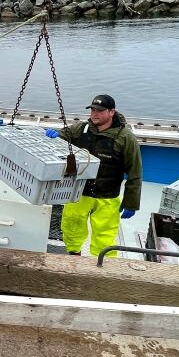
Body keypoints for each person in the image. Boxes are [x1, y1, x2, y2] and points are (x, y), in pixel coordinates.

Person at [46, 94, 142, 257]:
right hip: (79, 192)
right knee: (71, 226)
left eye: (100, 110)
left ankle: (103, 265)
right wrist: (54, 135)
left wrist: (131, 202)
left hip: (107, 196)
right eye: (92, 110)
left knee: (105, 235)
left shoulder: (125, 138)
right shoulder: (81, 129)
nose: (94, 114)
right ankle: (73, 255)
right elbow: (62, 135)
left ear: (112, 112)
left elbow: (134, 172)